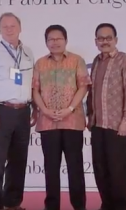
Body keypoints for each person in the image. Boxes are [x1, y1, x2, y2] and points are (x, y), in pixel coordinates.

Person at [0, 12, 36, 210]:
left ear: (20, 28)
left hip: (23, 112)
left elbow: (31, 83)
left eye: (13, 26)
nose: (9, 29)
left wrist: (34, 108)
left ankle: (12, 203)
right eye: (5, 26)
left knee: (18, 160)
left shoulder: (27, 52)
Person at [32, 25, 90, 210]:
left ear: (65, 40)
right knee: (51, 168)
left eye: (59, 39)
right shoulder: (40, 63)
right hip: (48, 122)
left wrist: (70, 108)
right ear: (46, 42)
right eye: (51, 39)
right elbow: (35, 90)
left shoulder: (76, 60)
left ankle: (79, 205)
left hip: (72, 121)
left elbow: (83, 86)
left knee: (75, 167)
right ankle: (52, 206)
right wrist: (44, 110)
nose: (55, 42)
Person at [86, 23, 126, 210]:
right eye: (101, 38)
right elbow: (92, 92)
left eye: (108, 38)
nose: (104, 41)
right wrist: (90, 117)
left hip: (118, 126)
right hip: (98, 125)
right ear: (96, 41)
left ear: (116, 40)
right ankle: (107, 205)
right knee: (100, 169)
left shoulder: (125, 60)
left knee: (119, 172)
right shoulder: (96, 61)